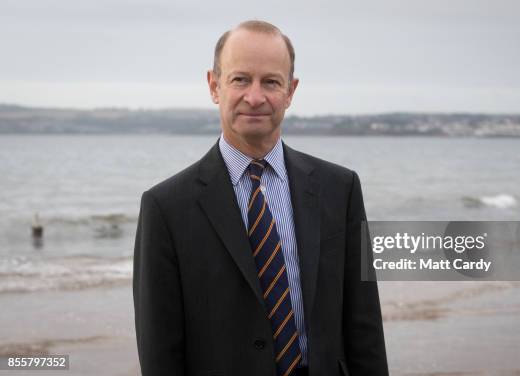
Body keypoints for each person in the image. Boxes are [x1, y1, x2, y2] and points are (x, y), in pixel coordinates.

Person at [133, 20, 388, 376]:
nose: (255, 97)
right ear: (214, 86)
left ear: (290, 91)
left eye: (270, 81)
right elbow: (160, 349)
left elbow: (365, 327)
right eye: (240, 79)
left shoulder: (339, 189)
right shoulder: (166, 207)